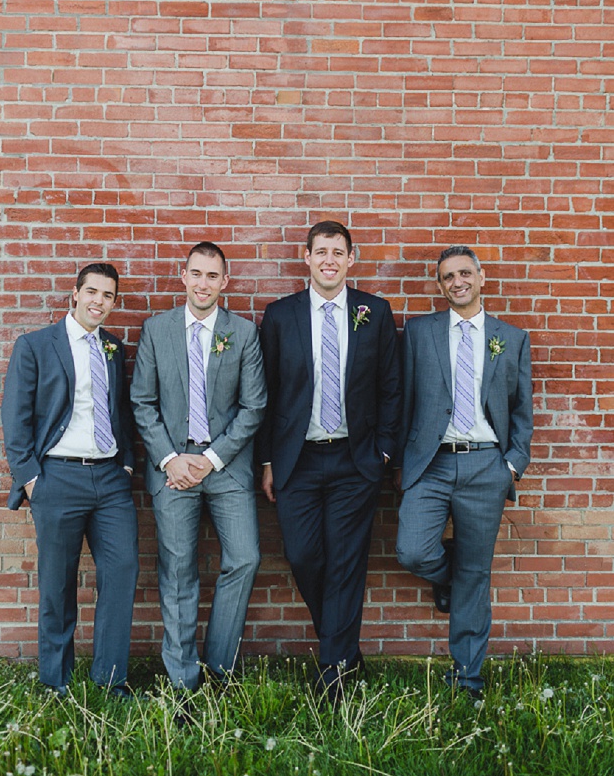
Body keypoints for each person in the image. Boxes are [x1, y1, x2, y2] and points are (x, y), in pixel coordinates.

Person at [258, 220, 401, 702]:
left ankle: (334, 674)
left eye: (338, 253)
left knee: (345, 563)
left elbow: (391, 386)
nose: (329, 261)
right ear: (306, 257)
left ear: (351, 259)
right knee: (302, 555)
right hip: (296, 459)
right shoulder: (280, 316)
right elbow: (268, 394)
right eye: (321, 252)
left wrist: (382, 451)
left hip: (355, 460)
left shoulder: (374, 312)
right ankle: (344, 647)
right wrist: (267, 462)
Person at [396, 245, 533, 699]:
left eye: (464, 273)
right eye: (447, 277)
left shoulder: (510, 338)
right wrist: (401, 462)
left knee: (478, 577)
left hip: (486, 465)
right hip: (431, 463)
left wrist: (511, 465)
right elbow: (403, 400)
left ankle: (467, 681)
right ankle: (449, 567)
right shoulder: (418, 332)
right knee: (412, 550)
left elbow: (521, 410)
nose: (457, 282)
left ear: (481, 276)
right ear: (439, 285)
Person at [130, 242, 267, 691]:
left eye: (213, 276)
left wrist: (209, 460)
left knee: (245, 558)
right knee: (178, 569)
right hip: (171, 464)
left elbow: (253, 407)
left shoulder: (243, 333)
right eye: (197, 274)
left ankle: (218, 668)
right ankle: (183, 681)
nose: (204, 283)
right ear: (183, 275)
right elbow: (142, 401)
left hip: (225, 465)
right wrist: (170, 459)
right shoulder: (157, 329)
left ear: (224, 282)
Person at [1, 263, 139, 698]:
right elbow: (16, 417)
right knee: (57, 583)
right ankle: (55, 680)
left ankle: (110, 678)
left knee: (122, 571)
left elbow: (123, 412)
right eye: (93, 292)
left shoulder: (114, 348)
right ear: (75, 294)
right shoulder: (37, 346)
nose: (100, 301)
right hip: (57, 477)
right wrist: (31, 480)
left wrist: (129, 465)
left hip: (111, 479)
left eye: (109, 295)